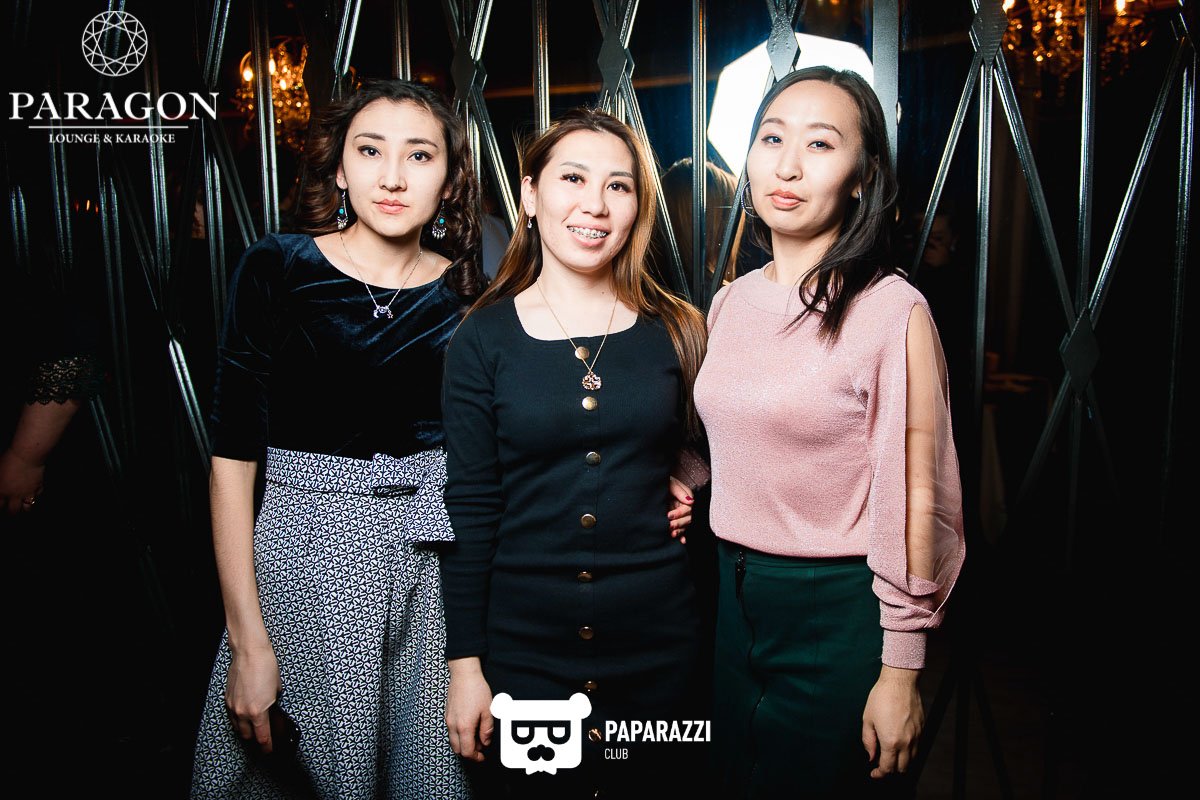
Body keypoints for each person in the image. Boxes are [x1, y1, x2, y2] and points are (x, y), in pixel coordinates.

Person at [191, 79, 482, 799]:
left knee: (430, 774)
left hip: (433, 572)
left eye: (420, 155)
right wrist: (247, 642)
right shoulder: (278, 268)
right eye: (371, 151)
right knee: (305, 775)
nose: (393, 177)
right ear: (340, 170)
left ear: (449, 181)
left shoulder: (473, 294)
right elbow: (231, 464)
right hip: (305, 560)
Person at [693, 67, 966, 798]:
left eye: (820, 144)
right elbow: (735, 430)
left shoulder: (889, 310)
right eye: (771, 138)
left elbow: (918, 497)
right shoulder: (730, 303)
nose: (787, 166)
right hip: (730, 598)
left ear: (862, 177)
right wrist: (681, 477)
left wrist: (901, 669)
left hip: (834, 609)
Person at [439, 107, 707, 799]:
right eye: (573, 179)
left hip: (659, 648)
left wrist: (685, 476)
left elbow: (728, 444)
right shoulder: (481, 339)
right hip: (525, 651)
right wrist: (464, 665)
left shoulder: (677, 328)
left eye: (618, 186)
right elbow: (469, 508)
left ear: (636, 208)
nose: (595, 204)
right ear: (530, 195)